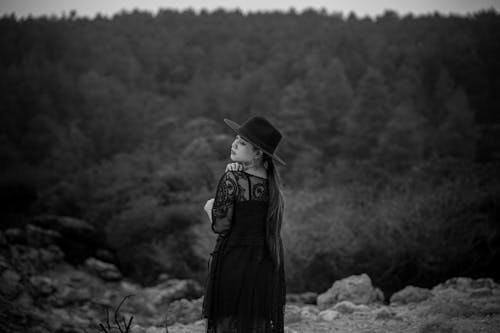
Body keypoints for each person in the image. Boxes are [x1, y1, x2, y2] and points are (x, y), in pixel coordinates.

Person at [201, 116, 287, 333]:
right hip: (265, 263)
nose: (234, 144)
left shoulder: (233, 180)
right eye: (236, 140)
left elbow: (221, 227)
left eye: (241, 142)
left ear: (257, 153)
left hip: (234, 262)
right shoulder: (273, 186)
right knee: (255, 324)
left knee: (229, 322)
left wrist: (210, 207)